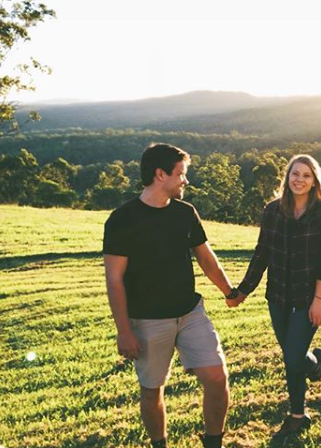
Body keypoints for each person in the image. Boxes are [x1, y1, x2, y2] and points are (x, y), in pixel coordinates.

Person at [102, 143, 243, 448]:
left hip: (190, 313)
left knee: (217, 378)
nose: (185, 181)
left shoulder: (185, 212)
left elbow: (206, 258)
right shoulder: (122, 219)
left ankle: (213, 443)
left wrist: (228, 291)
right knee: (153, 390)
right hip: (148, 320)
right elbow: (114, 280)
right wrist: (124, 332)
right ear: (160, 174)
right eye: (181, 174)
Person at [237, 154, 321, 438]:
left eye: (306, 175)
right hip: (277, 294)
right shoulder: (272, 210)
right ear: (287, 177)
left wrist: (318, 300)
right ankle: (315, 365)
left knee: (292, 356)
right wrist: (244, 290)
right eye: (295, 174)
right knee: (292, 354)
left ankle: (297, 414)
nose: (299, 180)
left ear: (314, 180)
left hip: (307, 296)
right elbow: (262, 253)